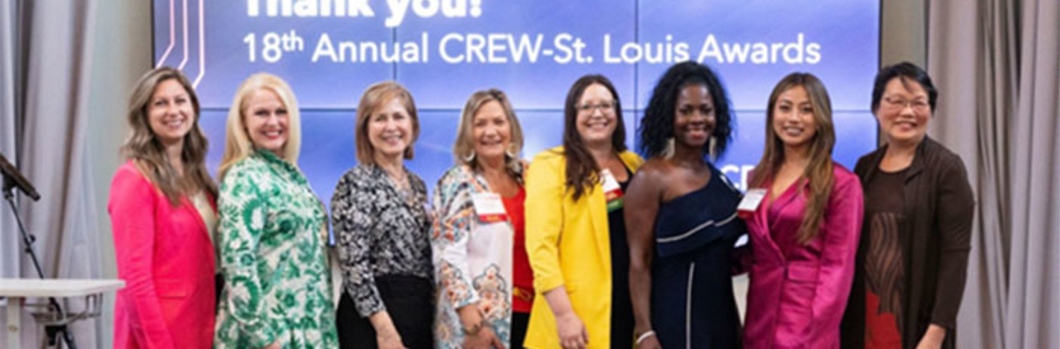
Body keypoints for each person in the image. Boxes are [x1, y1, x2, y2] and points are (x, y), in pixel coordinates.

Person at [840, 62, 974, 349]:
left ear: (931, 110)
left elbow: (955, 258)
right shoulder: (865, 167)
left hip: (916, 323)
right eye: (896, 102)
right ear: (876, 109)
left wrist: (936, 334)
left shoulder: (946, 168)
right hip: (865, 317)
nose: (907, 112)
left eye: (918, 103)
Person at [213, 73, 339, 349]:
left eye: (281, 112)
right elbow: (237, 263)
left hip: (307, 328)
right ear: (243, 123)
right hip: (269, 336)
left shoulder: (289, 173)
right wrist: (266, 339)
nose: (274, 121)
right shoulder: (244, 176)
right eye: (261, 113)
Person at [624, 61, 744, 349]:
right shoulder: (650, 178)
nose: (697, 119)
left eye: (705, 110)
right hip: (676, 322)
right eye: (685, 110)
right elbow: (639, 262)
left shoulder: (718, 177)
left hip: (723, 319)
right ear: (669, 115)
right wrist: (644, 332)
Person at [742, 72, 864, 349]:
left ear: (821, 118)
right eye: (785, 107)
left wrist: (816, 332)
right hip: (760, 315)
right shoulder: (758, 177)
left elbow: (838, 269)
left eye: (806, 109)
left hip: (806, 321)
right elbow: (758, 249)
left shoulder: (843, 184)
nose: (793, 118)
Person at [524, 74, 644, 349]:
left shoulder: (635, 164)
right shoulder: (550, 165)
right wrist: (564, 314)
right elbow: (541, 247)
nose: (597, 114)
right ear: (572, 115)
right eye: (587, 106)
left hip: (624, 310)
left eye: (605, 105)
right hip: (572, 318)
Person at [109, 66, 218, 349]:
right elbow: (135, 280)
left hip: (201, 325)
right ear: (144, 114)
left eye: (180, 101)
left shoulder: (200, 178)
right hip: (160, 335)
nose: (173, 111)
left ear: (193, 108)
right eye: (161, 103)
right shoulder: (134, 179)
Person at [331, 81, 434, 349]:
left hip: (418, 313)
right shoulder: (354, 182)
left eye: (399, 116)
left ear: (412, 125)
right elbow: (354, 265)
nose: (391, 127)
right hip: (373, 323)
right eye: (380, 118)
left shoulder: (419, 186)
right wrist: (385, 330)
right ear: (365, 129)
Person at [431, 89, 531, 349]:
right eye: (480, 124)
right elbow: (447, 255)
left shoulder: (530, 176)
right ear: (468, 132)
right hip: (480, 323)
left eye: (498, 122)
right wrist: (472, 322)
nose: (490, 132)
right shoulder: (457, 183)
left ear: (511, 127)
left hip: (533, 317)